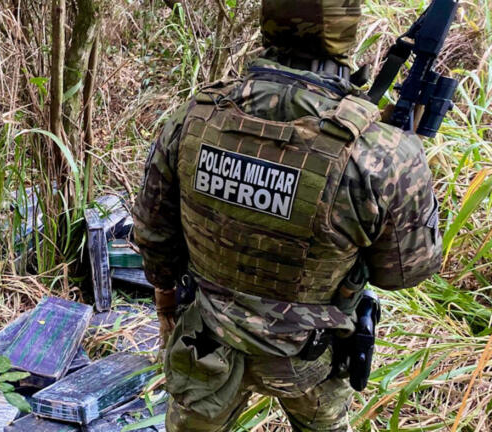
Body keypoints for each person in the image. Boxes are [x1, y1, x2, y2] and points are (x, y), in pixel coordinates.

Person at [131, 0, 442, 430]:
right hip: (309, 355)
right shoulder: (381, 154)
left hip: (204, 344)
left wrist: (169, 304)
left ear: (269, 22)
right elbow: (403, 273)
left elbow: (153, 237)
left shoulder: (195, 117)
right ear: (347, 32)